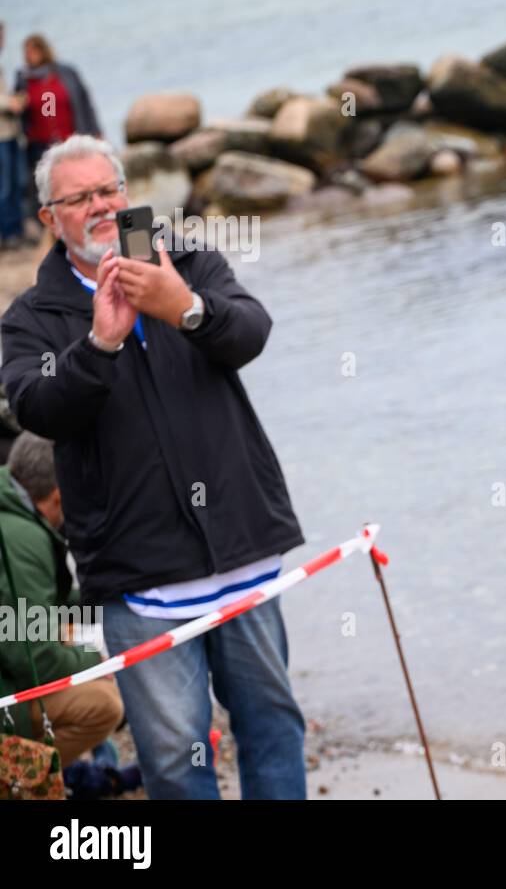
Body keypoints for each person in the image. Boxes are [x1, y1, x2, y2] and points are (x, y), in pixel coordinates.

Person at [0, 134, 308, 799]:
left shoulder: (188, 260)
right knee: (173, 761)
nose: (101, 206)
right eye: (79, 198)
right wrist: (100, 345)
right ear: (50, 218)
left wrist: (186, 308)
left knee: (273, 728)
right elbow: (37, 409)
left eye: (109, 190)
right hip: (142, 578)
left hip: (242, 548)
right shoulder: (31, 317)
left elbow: (252, 331)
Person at [0, 431, 123, 770]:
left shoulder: (10, 511)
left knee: (65, 633)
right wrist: (95, 661)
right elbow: (33, 655)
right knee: (105, 706)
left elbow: (35, 608)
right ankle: (18, 779)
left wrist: (101, 600)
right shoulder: (22, 539)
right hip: (6, 690)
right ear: (57, 497)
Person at [11, 34, 101, 229]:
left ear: (43, 50)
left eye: (33, 51)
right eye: (27, 52)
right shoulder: (24, 79)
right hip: (40, 142)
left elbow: (84, 102)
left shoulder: (65, 72)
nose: (29, 55)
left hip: (69, 137)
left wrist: (95, 130)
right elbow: (37, 109)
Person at [0, 22, 24, 250]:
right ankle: (9, 232)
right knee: (6, 184)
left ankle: (15, 228)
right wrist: (11, 103)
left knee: (14, 182)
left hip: (9, 132)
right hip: (2, 134)